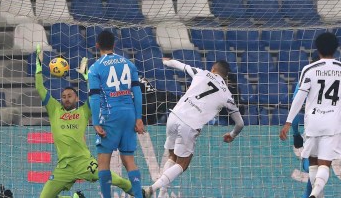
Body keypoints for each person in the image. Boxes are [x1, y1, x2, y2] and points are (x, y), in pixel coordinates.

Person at [35, 45, 134, 198]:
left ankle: (138, 193)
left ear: (77, 98)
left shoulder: (84, 110)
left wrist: (87, 76)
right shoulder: (54, 109)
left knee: (113, 179)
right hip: (64, 167)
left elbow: (96, 93)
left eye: (70, 96)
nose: (66, 98)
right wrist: (39, 66)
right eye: (64, 96)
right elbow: (40, 88)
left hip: (84, 162)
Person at [143, 59, 245, 198]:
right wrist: (232, 135)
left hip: (174, 116)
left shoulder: (201, 73)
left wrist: (164, 61)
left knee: (172, 156)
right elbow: (240, 124)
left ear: (213, 68)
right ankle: (152, 189)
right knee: (183, 164)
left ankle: (162, 194)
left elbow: (177, 64)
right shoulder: (227, 95)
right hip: (190, 124)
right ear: (225, 76)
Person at [280, 32, 341, 198]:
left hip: (313, 122)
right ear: (336, 48)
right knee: (325, 164)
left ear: (317, 49)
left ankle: (315, 194)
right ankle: (315, 194)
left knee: (312, 163)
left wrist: (289, 123)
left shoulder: (309, 70)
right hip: (332, 123)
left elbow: (298, 99)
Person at [88, 31, 145, 198]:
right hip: (129, 114)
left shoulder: (95, 68)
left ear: (97, 45)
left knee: (103, 161)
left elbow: (95, 96)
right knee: (129, 160)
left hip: (110, 115)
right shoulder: (129, 64)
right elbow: (137, 92)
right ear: (114, 44)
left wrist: (96, 121)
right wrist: (139, 118)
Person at [290, 83, 341, 198]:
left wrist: (296, 134)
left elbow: (295, 107)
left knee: (311, 166)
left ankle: (314, 194)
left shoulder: (307, 76)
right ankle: (315, 194)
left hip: (313, 127)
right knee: (321, 168)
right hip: (332, 130)